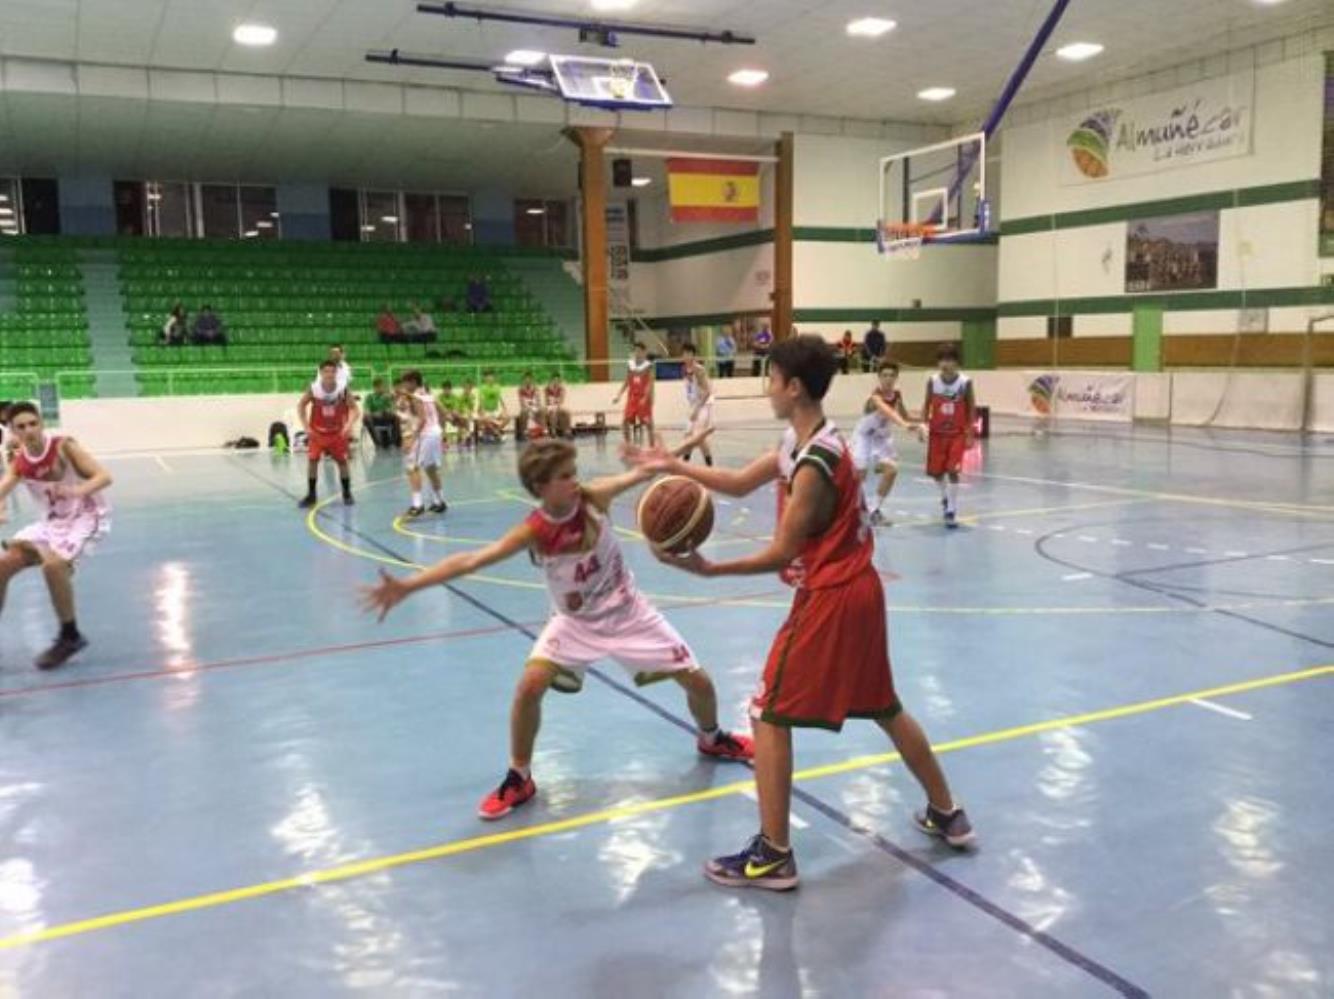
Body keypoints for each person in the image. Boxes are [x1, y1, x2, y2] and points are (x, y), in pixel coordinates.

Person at [629, 334, 973, 891]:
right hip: (861, 590)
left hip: (833, 596)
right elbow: (741, 484)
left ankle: (773, 853)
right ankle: (946, 811)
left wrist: (709, 570)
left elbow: (783, 553)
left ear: (792, 387)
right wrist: (675, 465)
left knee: (767, 712)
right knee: (885, 706)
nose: (767, 387)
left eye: (770, 378)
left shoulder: (816, 462)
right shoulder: (807, 440)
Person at [360, 438, 755, 821]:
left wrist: (676, 453)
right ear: (541, 488)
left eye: (574, 472)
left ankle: (712, 738)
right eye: (565, 475)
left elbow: (643, 473)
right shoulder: (534, 530)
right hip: (574, 622)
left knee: (699, 683)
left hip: (628, 610)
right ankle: (520, 776)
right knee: (529, 686)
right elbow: (471, 561)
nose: (575, 480)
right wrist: (408, 586)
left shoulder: (592, 497)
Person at [0, 402, 112, 669]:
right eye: (21, 427)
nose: (29, 430)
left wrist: (77, 490)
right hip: (52, 523)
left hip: (86, 516)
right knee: (3, 565)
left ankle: (70, 636)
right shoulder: (20, 462)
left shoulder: (63, 446)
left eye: (33, 423)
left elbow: (104, 476)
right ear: (14, 432)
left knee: (53, 566)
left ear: (42, 423)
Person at [853, 361, 924, 527]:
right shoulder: (875, 397)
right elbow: (889, 413)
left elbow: (905, 416)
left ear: (896, 378)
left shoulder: (897, 395)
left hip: (881, 441)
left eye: (892, 375)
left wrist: (924, 421)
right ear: (879, 378)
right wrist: (904, 425)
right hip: (864, 438)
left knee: (891, 471)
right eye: (884, 375)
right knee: (859, 477)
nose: (888, 379)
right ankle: (849, 510)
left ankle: (874, 510)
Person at [922, 344, 975, 529]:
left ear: (956, 362)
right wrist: (923, 426)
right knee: (937, 473)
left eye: (950, 360)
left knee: (953, 470)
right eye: (942, 360)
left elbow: (971, 408)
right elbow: (926, 404)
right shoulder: (933, 380)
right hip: (937, 434)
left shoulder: (965, 382)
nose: (946, 364)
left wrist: (970, 434)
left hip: (956, 434)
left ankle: (951, 509)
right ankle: (945, 497)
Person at [297, 361, 358, 509]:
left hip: (337, 433)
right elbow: (301, 406)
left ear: (336, 373)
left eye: (332, 371)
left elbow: (354, 409)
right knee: (312, 461)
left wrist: (348, 426)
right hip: (317, 432)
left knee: (343, 463)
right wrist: (306, 426)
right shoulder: (314, 389)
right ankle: (311, 495)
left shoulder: (342, 390)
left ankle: (347, 493)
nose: (329, 374)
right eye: (326, 371)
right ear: (321, 373)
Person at [399, 371, 448, 517]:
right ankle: (439, 502)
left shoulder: (416, 397)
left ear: (413, 382)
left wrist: (412, 439)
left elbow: (422, 420)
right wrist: (442, 431)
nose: (404, 385)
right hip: (435, 433)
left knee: (412, 467)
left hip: (425, 434)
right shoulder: (430, 395)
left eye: (406, 382)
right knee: (431, 469)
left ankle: (417, 505)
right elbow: (444, 412)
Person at [680, 343, 714, 467]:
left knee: (697, 435)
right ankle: (687, 465)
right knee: (689, 436)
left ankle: (708, 466)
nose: (687, 356)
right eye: (685, 353)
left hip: (704, 404)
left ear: (694, 356)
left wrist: (697, 409)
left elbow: (707, 391)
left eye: (689, 354)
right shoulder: (684, 369)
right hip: (694, 405)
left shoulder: (699, 370)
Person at [612, 343, 654, 445]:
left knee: (647, 422)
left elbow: (650, 384)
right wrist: (618, 395)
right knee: (625, 421)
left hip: (643, 398)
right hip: (632, 398)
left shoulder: (648, 366)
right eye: (636, 351)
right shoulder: (630, 365)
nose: (637, 353)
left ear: (644, 352)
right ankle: (628, 445)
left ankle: (652, 446)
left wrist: (645, 397)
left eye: (640, 351)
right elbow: (627, 381)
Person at [364, 377, 400, 449]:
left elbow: (392, 408)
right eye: (381, 386)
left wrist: (388, 410)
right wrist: (374, 414)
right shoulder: (370, 397)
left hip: (385, 416)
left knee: (396, 417)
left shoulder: (387, 396)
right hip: (374, 418)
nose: (382, 388)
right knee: (366, 418)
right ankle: (376, 440)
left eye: (383, 386)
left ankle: (394, 440)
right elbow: (367, 410)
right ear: (375, 387)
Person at [476, 370, 511, 443]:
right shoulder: (482, 388)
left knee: (507, 417)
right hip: (486, 410)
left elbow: (501, 399)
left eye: (491, 377)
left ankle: (495, 432)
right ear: (485, 379)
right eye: (488, 377)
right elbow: (481, 401)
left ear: (494, 378)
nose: (490, 379)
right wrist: (482, 412)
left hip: (495, 410)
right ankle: (498, 435)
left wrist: (505, 409)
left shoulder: (497, 387)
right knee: (485, 420)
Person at [516, 371, 545, 441]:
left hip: (534, 407)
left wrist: (537, 407)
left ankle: (543, 430)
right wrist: (529, 408)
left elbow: (538, 401)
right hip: (526, 407)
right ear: (523, 380)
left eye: (529, 379)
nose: (528, 381)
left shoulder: (536, 388)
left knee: (542, 410)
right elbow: (522, 403)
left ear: (532, 380)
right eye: (526, 379)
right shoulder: (520, 389)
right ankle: (523, 433)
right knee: (524, 412)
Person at [544, 372, 571, 439]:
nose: (556, 382)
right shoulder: (547, 389)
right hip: (550, 406)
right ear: (551, 380)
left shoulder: (561, 389)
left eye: (557, 380)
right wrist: (554, 401)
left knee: (566, 412)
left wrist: (557, 403)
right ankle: (553, 432)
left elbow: (561, 400)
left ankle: (567, 431)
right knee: (553, 413)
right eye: (554, 380)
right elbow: (547, 401)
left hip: (558, 406)